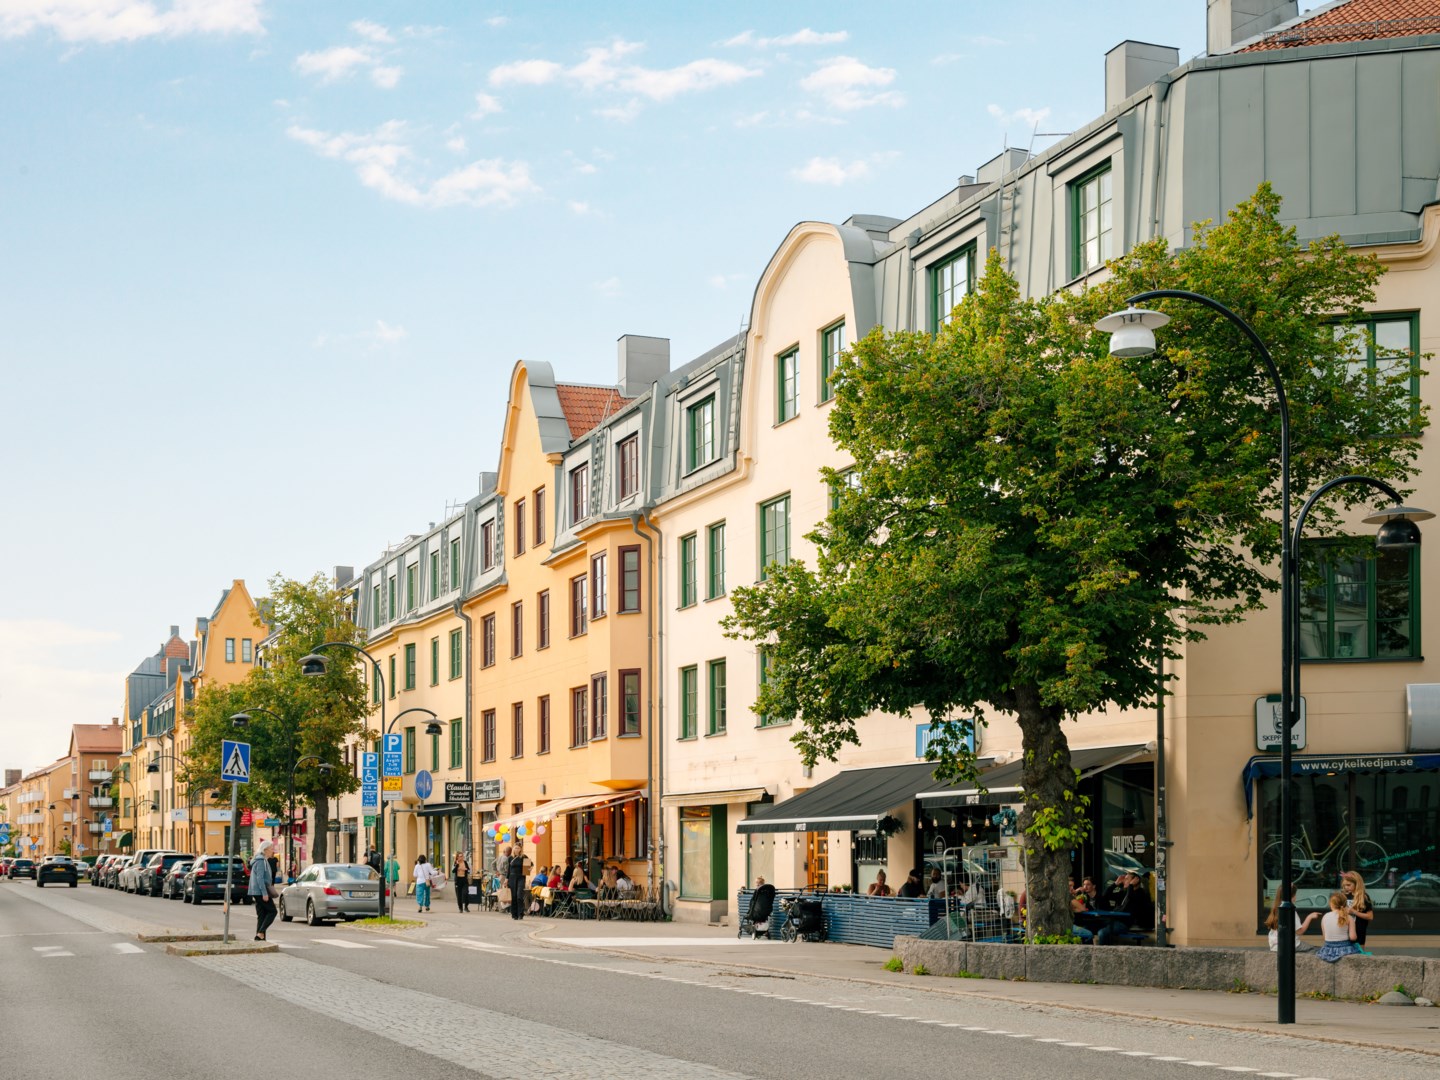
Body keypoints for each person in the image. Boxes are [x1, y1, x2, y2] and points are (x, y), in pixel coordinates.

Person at [1265, 883, 1318, 953]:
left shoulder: (1276, 909)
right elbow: (1300, 931)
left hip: (1275, 947)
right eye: (1295, 894)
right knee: (1316, 950)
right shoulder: (1291, 911)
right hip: (1290, 945)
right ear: (1291, 897)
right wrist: (1309, 917)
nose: (1296, 897)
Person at [1316, 891, 1362, 963]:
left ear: (1331, 904)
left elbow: (1325, 938)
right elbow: (1353, 937)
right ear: (1345, 904)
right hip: (1344, 949)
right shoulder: (1349, 917)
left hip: (1328, 949)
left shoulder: (1325, 916)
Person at [247, 839, 278, 941]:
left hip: (257, 891)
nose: (272, 850)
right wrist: (264, 893)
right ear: (265, 850)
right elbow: (260, 878)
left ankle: (259, 938)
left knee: (262, 914)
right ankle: (260, 933)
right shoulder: (261, 861)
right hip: (260, 892)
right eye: (271, 849)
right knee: (272, 911)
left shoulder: (261, 860)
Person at [1341, 871, 1375, 953]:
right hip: (1345, 928)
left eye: (1349, 885)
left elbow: (1370, 916)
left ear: (1357, 884)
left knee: (1359, 953)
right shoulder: (1344, 895)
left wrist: (1354, 912)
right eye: (1344, 885)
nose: (1346, 887)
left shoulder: (1364, 897)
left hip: (1359, 929)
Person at [507, 841, 530, 920]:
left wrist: (528, 869)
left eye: (518, 848)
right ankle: (514, 914)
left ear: (521, 849)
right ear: (513, 848)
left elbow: (530, 866)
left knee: (519, 896)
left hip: (521, 878)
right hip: (512, 878)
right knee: (513, 896)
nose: (517, 849)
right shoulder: (510, 858)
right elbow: (508, 870)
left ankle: (521, 913)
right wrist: (506, 879)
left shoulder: (524, 857)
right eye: (515, 848)